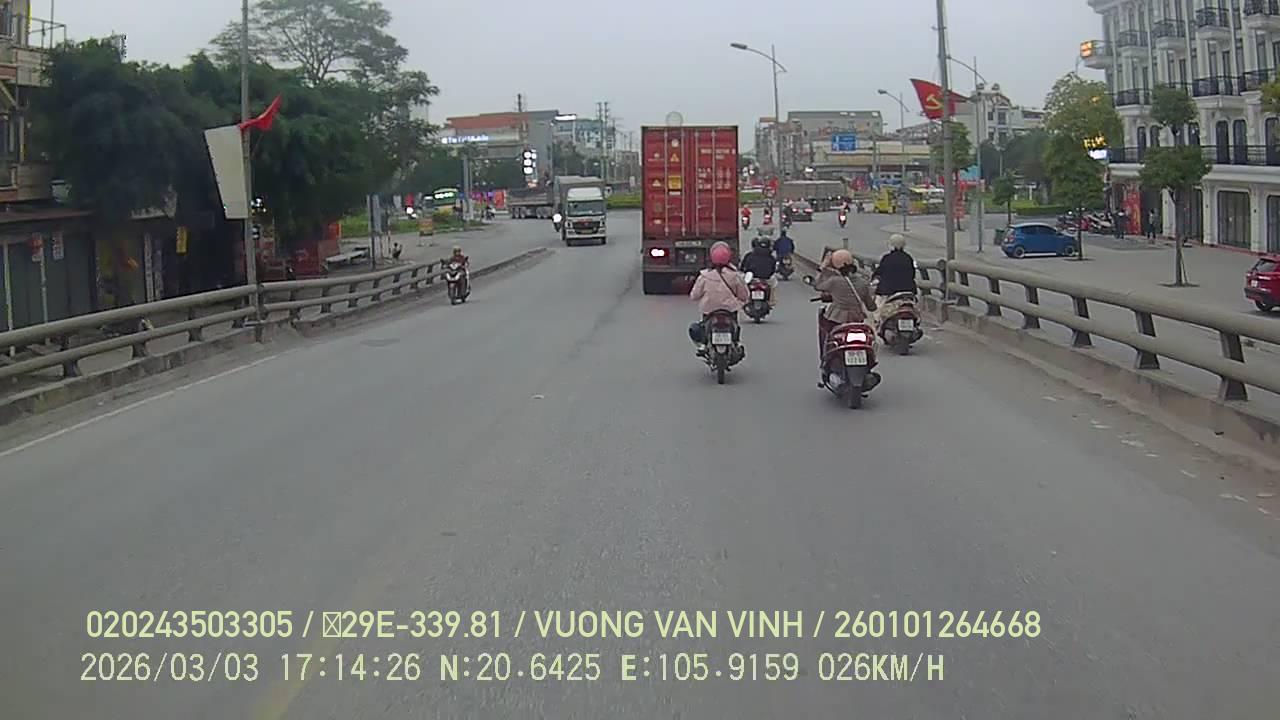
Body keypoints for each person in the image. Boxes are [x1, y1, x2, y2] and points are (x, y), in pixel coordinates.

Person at [814, 249, 878, 387]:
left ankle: (824, 361)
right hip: (857, 319)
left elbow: (817, 285)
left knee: (825, 336)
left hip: (837, 318)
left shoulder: (834, 282)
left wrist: (822, 267)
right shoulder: (862, 283)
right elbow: (871, 306)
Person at [688, 241, 749, 355]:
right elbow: (744, 295)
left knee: (699, 327)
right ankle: (736, 343)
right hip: (730, 310)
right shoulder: (735, 276)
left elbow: (694, 295)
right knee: (735, 325)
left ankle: (703, 345)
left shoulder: (704, 276)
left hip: (709, 310)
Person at [871, 233, 917, 326]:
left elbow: (879, 272)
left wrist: (874, 279)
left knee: (878, 307)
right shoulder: (908, 258)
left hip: (888, 291)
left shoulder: (887, 258)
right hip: (908, 291)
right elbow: (912, 274)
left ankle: (878, 323)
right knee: (914, 307)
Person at [740, 236, 778, 307]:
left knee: (742, 282)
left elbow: (743, 267)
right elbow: (773, 270)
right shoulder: (771, 257)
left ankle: (743, 298)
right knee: (774, 283)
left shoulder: (750, 255)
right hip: (766, 278)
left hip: (751, 277)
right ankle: (772, 300)